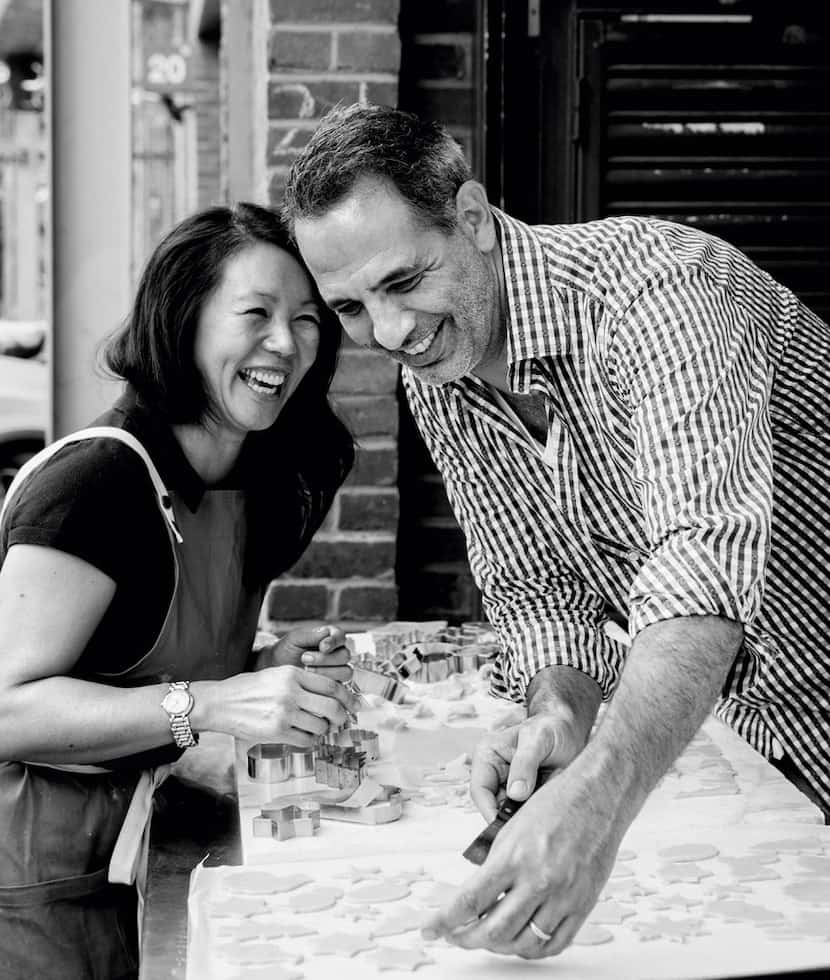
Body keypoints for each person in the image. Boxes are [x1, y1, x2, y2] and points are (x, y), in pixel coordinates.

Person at [283, 102, 830, 959]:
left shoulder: (660, 291)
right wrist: (561, 713)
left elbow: (704, 558)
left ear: (472, 218)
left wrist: (598, 799)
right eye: (349, 309)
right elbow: (538, 588)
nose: (389, 333)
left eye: (401, 282)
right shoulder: (441, 370)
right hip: (765, 732)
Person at [0, 202, 360, 979]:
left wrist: (264, 664)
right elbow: (6, 708)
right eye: (255, 312)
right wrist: (213, 704)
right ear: (184, 319)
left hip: (154, 844)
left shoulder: (253, 477)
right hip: (37, 881)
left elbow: (136, 661)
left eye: (307, 320)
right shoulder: (95, 484)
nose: (286, 343)